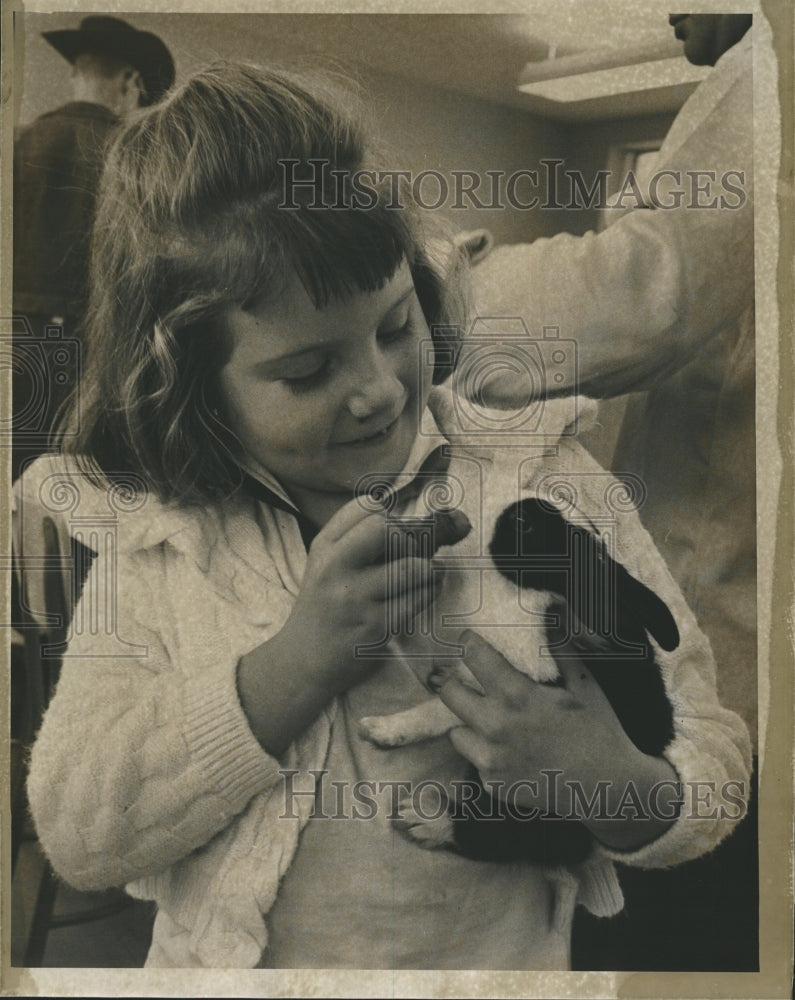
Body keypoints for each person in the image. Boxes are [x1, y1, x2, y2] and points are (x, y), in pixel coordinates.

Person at [20, 62, 750, 970]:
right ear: (191, 389)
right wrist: (287, 671)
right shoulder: (164, 544)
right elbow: (79, 836)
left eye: (396, 327)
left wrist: (613, 779)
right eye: (307, 371)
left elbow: (715, 757)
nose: (377, 390)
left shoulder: (540, 478)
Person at [462, 13, 758, 970]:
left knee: (664, 941)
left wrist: (419, 289)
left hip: (721, 683)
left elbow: (644, 290)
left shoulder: (778, 55)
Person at [12, 16, 175, 481]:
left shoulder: (18, 142)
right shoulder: (131, 158)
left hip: (12, 335)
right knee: (69, 482)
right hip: (90, 349)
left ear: (75, 75)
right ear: (131, 81)